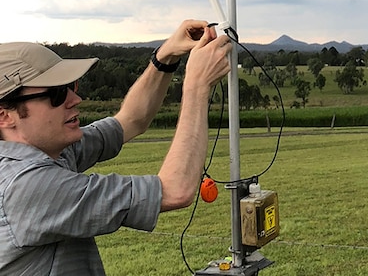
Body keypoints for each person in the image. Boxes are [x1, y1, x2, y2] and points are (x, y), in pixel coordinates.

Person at [0, 20, 232, 275]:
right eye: (56, 94)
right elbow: (175, 190)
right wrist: (197, 86)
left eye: (70, 87)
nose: (75, 99)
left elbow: (131, 121)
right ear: (5, 116)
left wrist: (165, 57)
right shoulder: (26, 186)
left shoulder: (49, 152)